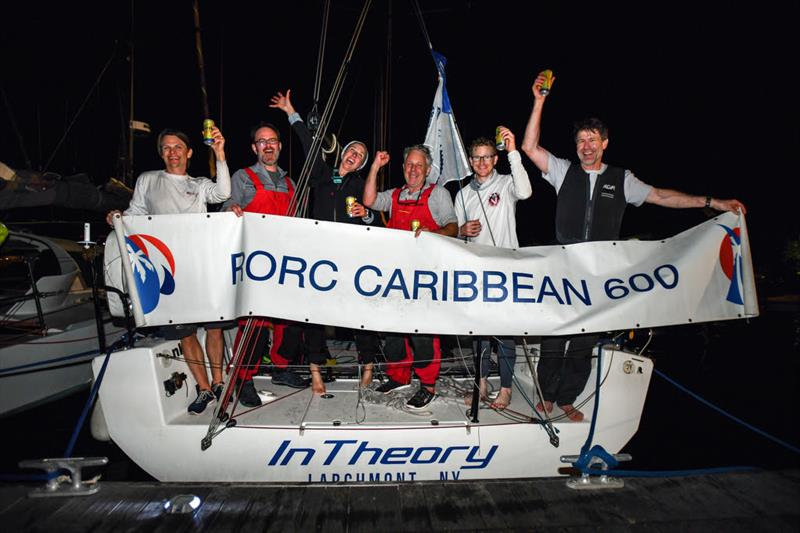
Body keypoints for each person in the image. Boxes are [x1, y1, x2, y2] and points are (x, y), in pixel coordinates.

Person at [521, 70, 747, 421]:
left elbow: (661, 196)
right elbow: (529, 148)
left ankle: (567, 398)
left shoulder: (621, 179)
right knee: (554, 337)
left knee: (584, 341)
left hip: (600, 273)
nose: (586, 146)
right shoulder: (563, 171)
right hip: (562, 269)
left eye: (593, 139)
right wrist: (539, 101)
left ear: (605, 143)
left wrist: (712, 202)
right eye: (581, 140)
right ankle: (547, 396)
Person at [106, 126, 232, 415]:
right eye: (166, 147)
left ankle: (220, 381)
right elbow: (134, 213)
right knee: (186, 333)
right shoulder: (148, 180)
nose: (172, 152)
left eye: (178, 147)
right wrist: (118, 218)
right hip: (169, 272)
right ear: (161, 152)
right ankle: (204, 389)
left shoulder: (199, 184)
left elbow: (223, 192)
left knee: (214, 329)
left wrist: (220, 153)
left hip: (201, 266)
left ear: (188, 152)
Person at [270, 89, 380, 394]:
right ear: (343, 152)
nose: (353, 155)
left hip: (351, 258)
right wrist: (292, 112)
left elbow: (375, 216)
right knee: (314, 315)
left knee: (361, 313)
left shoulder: (360, 185)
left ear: (360, 164)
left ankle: (368, 366)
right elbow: (310, 143)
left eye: (359, 155)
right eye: (351, 150)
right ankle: (316, 372)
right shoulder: (321, 173)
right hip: (319, 257)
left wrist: (366, 215)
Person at [362, 144, 458, 409]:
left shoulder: (438, 194)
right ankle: (398, 377)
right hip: (395, 275)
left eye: (419, 165)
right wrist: (375, 167)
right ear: (403, 168)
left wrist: (434, 232)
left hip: (426, 278)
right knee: (393, 329)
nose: (413, 169)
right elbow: (368, 200)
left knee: (423, 334)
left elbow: (453, 227)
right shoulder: (395, 195)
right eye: (409, 165)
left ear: (427, 170)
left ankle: (428, 386)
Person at [224, 122, 309, 407]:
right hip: (255, 261)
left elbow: (298, 222)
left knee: (288, 317)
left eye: (273, 141)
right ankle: (242, 377)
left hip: (285, 260)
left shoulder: (290, 183)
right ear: (254, 148)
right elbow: (228, 205)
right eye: (262, 141)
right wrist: (230, 209)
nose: (268, 146)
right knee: (255, 321)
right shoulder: (242, 176)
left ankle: (282, 368)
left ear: (280, 146)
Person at [455, 130, 532, 409]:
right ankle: (482, 381)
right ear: (471, 161)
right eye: (477, 158)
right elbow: (458, 238)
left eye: (488, 157)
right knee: (480, 333)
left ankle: (507, 387)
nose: (482, 162)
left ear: (495, 159)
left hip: (506, 270)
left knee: (505, 333)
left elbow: (526, 192)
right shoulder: (463, 195)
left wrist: (513, 152)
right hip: (477, 272)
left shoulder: (507, 182)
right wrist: (462, 231)